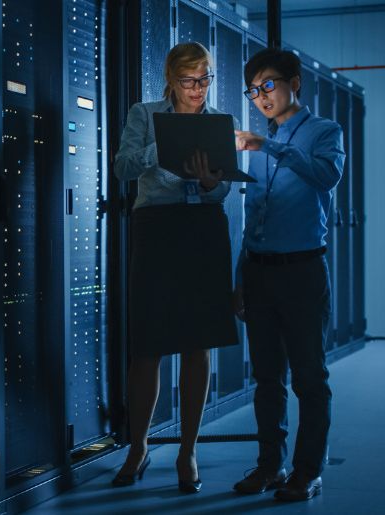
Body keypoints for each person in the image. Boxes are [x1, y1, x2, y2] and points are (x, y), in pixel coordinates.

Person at [112, 41, 239, 494]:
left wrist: (210, 184)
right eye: (189, 81)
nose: (198, 89)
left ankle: (188, 449)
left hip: (202, 228)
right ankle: (139, 445)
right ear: (171, 80)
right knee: (148, 344)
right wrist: (160, 147)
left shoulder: (223, 123)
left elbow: (223, 192)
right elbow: (123, 167)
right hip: (157, 229)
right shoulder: (144, 114)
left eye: (205, 79)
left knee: (198, 342)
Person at [232, 48, 345, 502]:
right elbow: (253, 217)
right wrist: (240, 276)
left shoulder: (324, 131)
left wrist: (269, 145)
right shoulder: (255, 148)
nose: (261, 97)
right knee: (267, 378)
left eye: (269, 84)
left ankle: (307, 471)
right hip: (259, 273)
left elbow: (326, 176)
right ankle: (269, 466)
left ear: (294, 82)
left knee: (309, 379)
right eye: (254, 90)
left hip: (302, 271)